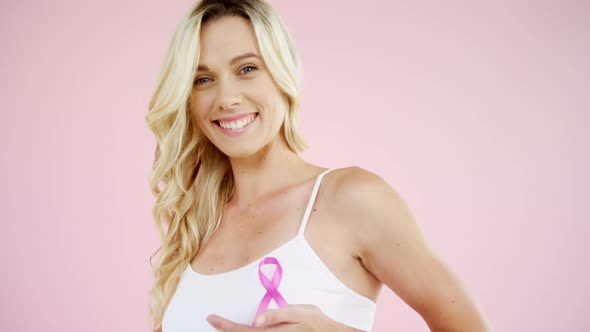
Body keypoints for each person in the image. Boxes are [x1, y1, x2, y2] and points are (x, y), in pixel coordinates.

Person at [145, 0, 492, 331]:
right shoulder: (197, 223)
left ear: (283, 75)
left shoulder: (351, 199)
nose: (226, 98)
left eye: (247, 69)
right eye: (203, 79)